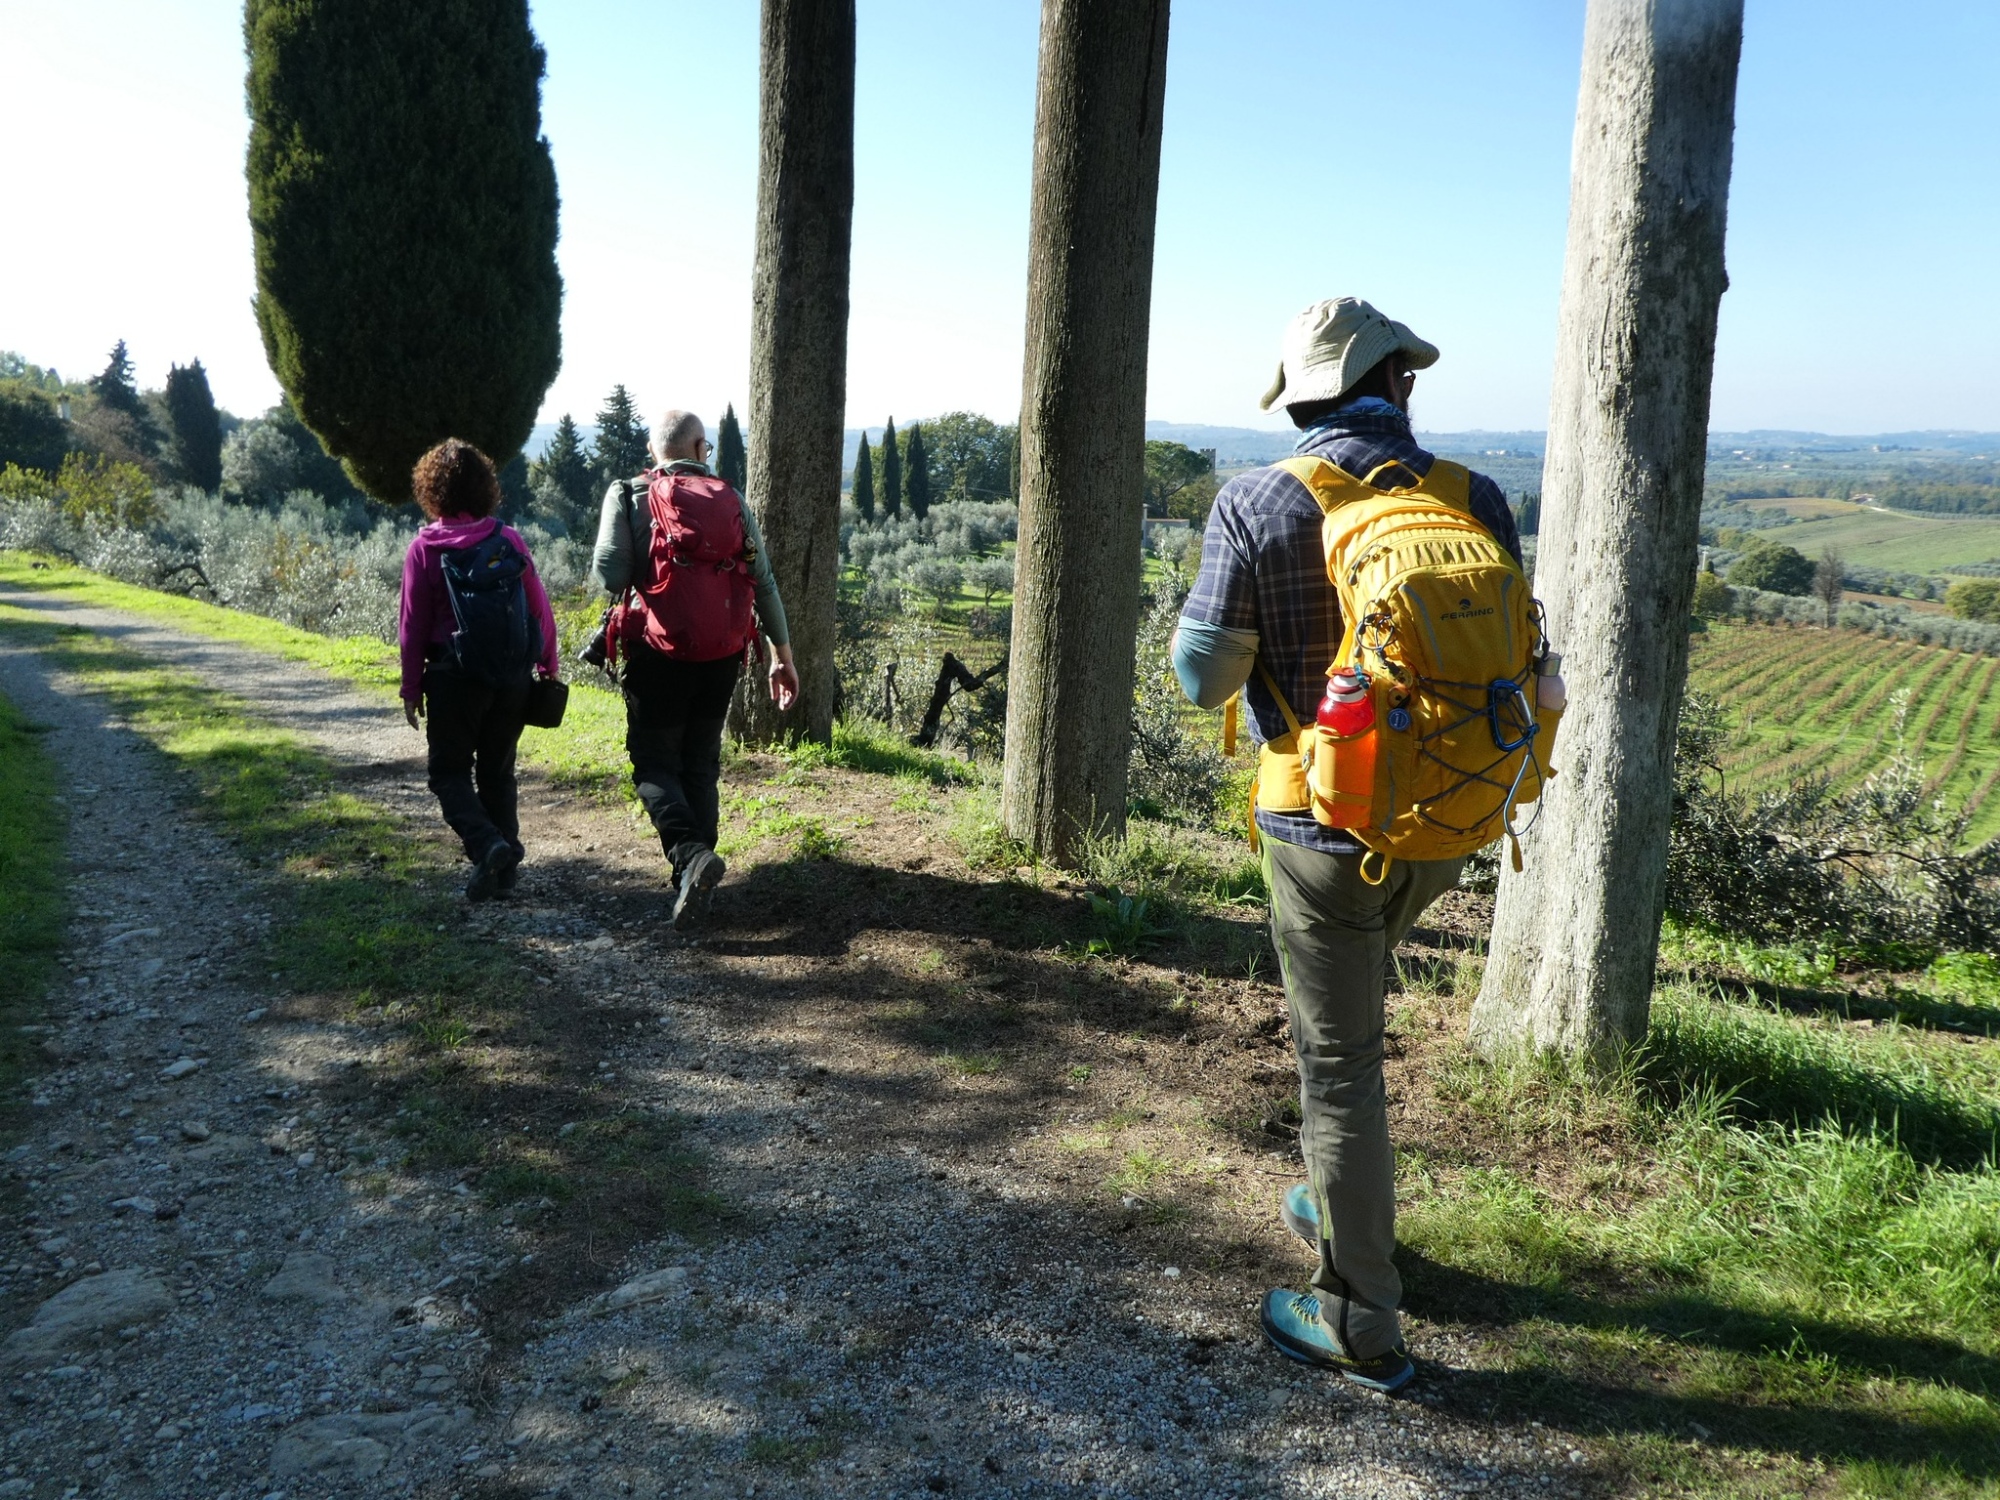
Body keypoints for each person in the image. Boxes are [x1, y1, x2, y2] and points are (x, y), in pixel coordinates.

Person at [1172, 298, 1523, 1392]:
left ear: (1302, 397)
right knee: (1356, 1034)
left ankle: (1359, 1313)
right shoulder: (1475, 497)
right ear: (1397, 383)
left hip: (1315, 826)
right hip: (1450, 820)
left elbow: (1201, 681)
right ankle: (1341, 1208)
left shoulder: (1258, 500)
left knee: (1338, 1067)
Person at [589, 409, 798, 929]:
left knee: (654, 763)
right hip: (723, 653)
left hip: (658, 654)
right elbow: (764, 580)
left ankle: (689, 857)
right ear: (702, 448)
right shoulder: (730, 498)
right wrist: (782, 656)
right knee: (700, 763)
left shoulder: (629, 493)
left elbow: (609, 573)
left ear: (654, 448)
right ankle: (696, 874)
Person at [399, 438, 561, 900]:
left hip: (454, 678)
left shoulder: (423, 548)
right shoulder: (506, 538)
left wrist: (411, 688)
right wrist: (547, 663)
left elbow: (413, 626)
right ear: (485, 486)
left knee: (448, 774)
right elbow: (538, 606)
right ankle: (505, 871)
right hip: (511, 677)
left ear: (431, 490)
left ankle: (488, 845)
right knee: (497, 772)